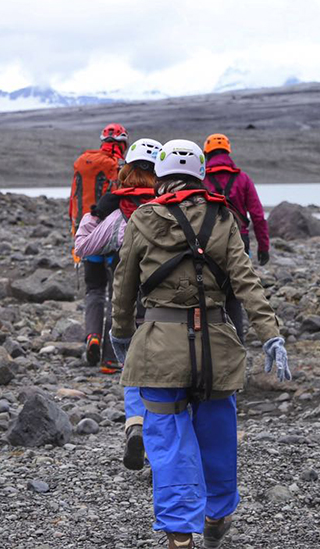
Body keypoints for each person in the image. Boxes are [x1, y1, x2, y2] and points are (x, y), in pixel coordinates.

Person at [109, 139, 291, 549]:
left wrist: (121, 334)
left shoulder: (143, 218)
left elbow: (124, 285)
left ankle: (178, 535)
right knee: (216, 435)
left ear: (161, 174)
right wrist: (270, 334)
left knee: (168, 442)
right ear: (200, 174)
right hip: (216, 350)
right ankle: (216, 515)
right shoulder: (222, 218)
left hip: (158, 348)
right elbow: (247, 283)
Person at [73, 138, 162, 471]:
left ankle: (135, 425)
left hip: (128, 300)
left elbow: (83, 245)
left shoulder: (115, 208)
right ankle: (164, 444)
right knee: (169, 372)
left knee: (134, 370)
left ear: (126, 171)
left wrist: (94, 213)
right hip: (165, 305)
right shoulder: (169, 205)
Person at [69, 123, 128, 366]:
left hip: (87, 237)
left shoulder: (83, 163)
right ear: (122, 144)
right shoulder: (120, 168)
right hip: (113, 240)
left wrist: (76, 235)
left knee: (94, 291)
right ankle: (111, 356)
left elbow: (73, 201)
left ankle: (92, 336)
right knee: (117, 295)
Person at [202, 133, 270, 336]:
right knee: (233, 296)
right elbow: (258, 216)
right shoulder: (243, 179)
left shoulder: (201, 179)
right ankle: (237, 343)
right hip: (239, 243)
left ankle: (208, 344)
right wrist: (264, 248)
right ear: (228, 152)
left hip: (206, 242)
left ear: (207, 153)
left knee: (206, 295)